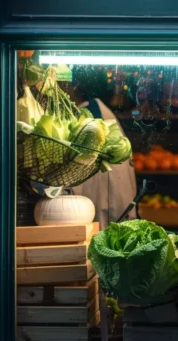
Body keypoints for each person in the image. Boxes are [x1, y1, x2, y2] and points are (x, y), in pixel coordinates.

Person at [64, 68, 138, 228]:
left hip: (105, 207)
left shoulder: (89, 114)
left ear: (76, 87)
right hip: (115, 205)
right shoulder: (101, 110)